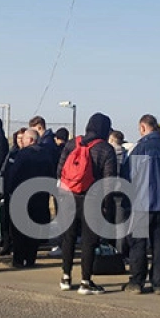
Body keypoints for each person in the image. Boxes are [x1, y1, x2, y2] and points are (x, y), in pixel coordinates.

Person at [57, 112, 118, 294]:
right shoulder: (106, 149)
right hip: (92, 199)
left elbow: (60, 170)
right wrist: (107, 205)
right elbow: (109, 181)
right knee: (89, 241)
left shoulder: (72, 143)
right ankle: (85, 281)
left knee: (68, 238)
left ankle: (66, 277)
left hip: (69, 197)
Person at [123, 114, 160, 295]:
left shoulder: (141, 149)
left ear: (142, 128)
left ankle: (137, 281)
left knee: (138, 244)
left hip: (142, 202)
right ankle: (158, 282)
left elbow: (128, 176)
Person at [4, 128, 57, 268]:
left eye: (25, 138)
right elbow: (52, 175)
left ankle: (18, 260)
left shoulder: (23, 154)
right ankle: (31, 258)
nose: (22, 141)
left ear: (31, 140)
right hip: (40, 197)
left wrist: (9, 190)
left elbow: (14, 173)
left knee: (19, 230)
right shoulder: (47, 155)